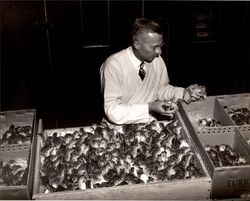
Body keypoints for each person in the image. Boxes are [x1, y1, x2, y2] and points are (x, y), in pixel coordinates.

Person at [100, 18, 206, 125]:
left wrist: (184, 93)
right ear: (137, 44)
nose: (159, 52)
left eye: (160, 46)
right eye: (154, 47)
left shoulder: (156, 59)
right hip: (118, 128)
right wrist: (149, 107)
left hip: (147, 124)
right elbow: (113, 111)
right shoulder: (114, 65)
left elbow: (161, 89)